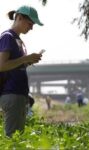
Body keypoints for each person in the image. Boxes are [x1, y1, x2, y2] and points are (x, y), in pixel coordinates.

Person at [0, 5, 43, 137]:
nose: (31, 28)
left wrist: (28, 61)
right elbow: (2, 65)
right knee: (12, 138)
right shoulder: (7, 37)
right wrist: (26, 58)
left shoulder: (18, 40)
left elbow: (14, 65)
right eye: (30, 23)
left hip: (19, 94)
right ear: (19, 18)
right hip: (11, 93)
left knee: (18, 137)